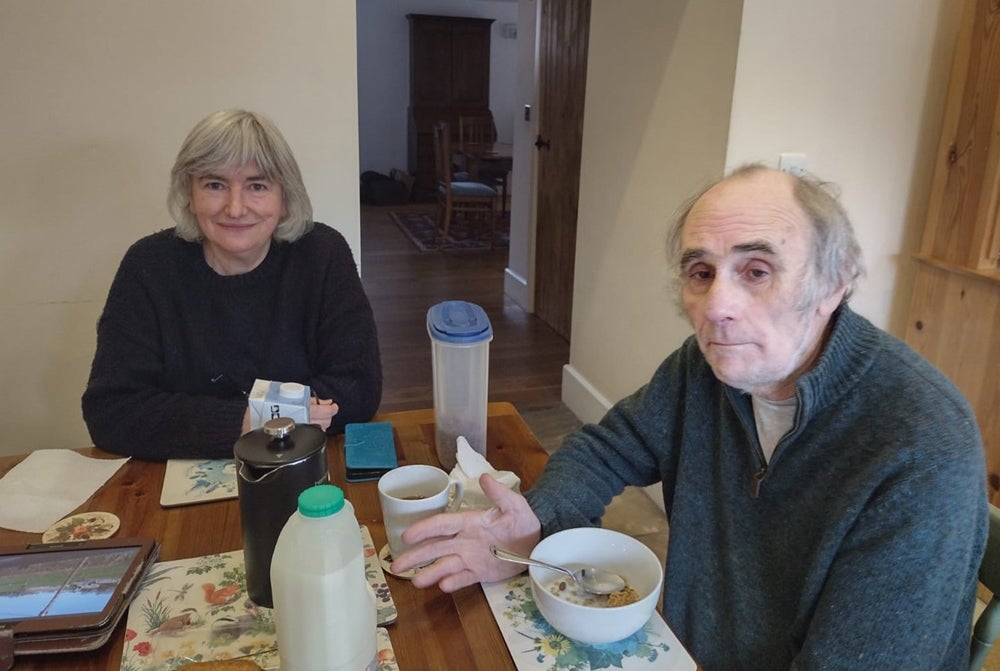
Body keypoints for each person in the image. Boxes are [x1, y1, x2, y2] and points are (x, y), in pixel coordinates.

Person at [392, 165, 988, 669]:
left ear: (834, 283)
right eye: (701, 273)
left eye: (757, 271)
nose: (718, 307)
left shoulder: (922, 448)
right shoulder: (704, 371)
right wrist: (535, 520)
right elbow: (609, 446)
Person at [82, 109, 382, 461]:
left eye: (257, 186)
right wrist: (250, 420)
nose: (235, 208)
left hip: (304, 470)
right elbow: (112, 411)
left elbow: (358, 388)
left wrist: (241, 419)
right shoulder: (148, 265)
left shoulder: (323, 254)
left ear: (284, 198)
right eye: (215, 185)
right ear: (189, 195)